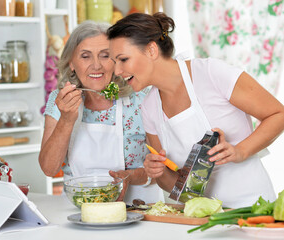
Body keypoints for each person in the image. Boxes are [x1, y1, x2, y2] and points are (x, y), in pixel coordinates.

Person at [107, 12, 284, 208]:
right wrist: (159, 172)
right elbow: (176, 186)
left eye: (123, 59)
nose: (117, 71)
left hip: (253, 208)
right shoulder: (149, 107)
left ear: (151, 50)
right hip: (201, 219)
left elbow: (278, 114)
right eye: (115, 62)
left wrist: (240, 151)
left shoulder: (211, 73)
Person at [39, 21, 164, 204]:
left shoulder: (142, 97)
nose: (96, 65)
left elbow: (162, 167)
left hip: (140, 207)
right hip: (77, 210)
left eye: (105, 56)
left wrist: (130, 176)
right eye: (85, 56)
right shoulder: (60, 100)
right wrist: (66, 119)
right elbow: (49, 169)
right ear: (71, 63)